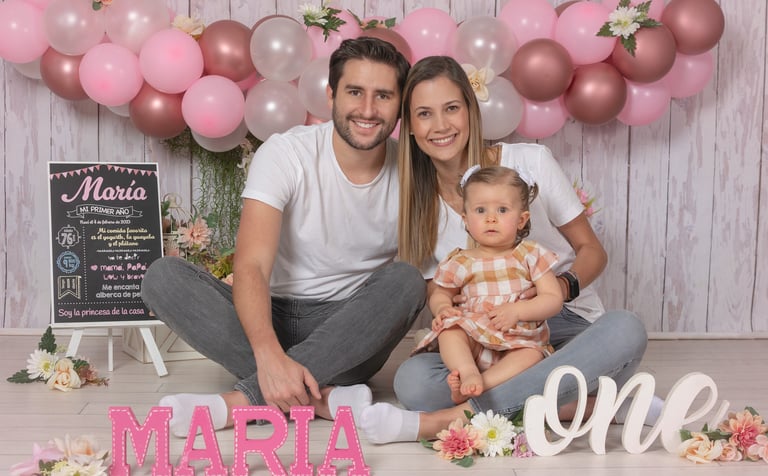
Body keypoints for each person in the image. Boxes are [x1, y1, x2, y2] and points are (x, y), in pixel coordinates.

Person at [359, 56, 659, 444]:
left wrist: (555, 291)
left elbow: (592, 250)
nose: (441, 125)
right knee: (413, 382)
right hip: (482, 336)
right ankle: (595, 407)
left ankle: (450, 419)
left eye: (451, 108)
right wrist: (448, 309)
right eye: (424, 114)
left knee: (624, 330)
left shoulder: (529, 162)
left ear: (470, 111)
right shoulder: (414, 200)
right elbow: (440, 289)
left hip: (559, 321)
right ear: (411, 127)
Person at [141, 37, 424, 437]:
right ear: (331, 95)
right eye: (354, 92)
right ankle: (324, 397)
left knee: (407, 281)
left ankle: (239, 403)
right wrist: (267, 352)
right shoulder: (287, 153)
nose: (367, 109)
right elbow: (252, 265)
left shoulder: (413, 172)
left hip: (349, 333)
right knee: (163, 277)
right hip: (268, 317)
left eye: (383, 96)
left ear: (399, 105)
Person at [415, 165, 562, 404]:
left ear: (522, 220)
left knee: (533, 355)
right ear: (466, 219)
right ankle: (468, 372)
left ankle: (483, 384)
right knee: (450, 331)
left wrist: (518, 311)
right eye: (480, 210)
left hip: (518, 341)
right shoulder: (460, 260)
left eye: (502, 210)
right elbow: (441, 293)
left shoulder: (530, 254)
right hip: (475, 339)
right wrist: (443, 308)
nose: (490, 218)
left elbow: (553, 299)